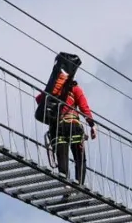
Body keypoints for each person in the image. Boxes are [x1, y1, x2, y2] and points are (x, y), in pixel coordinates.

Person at [34, 52, 97, 198]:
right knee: (79, 158)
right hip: (73, 126)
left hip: (57, 128)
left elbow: (39, 100)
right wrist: (92, 125)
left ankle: (65, 186)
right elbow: (84, 107)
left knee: (62, 157)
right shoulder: (75, 89)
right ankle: (79, 185)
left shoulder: (52, 89)